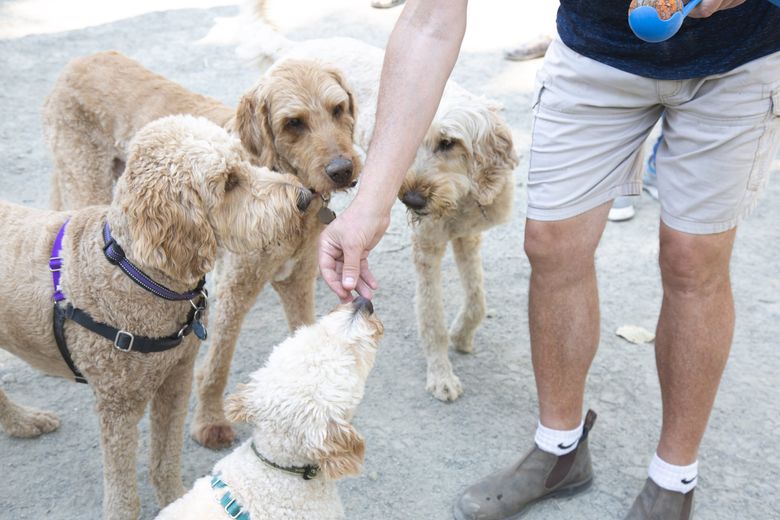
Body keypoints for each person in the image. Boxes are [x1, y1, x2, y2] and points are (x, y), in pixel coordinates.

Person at [318, 1, 780, 519]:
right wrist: (369, 203)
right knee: (552, 244)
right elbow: (429, 22)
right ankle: (559, 450)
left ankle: (674, 478)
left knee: (693, 263)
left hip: (736, 61)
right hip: (597, 53)